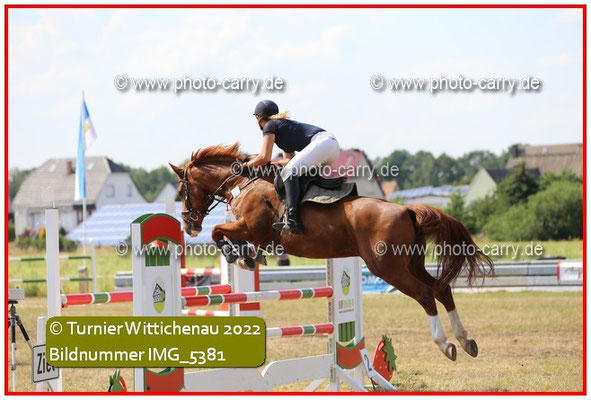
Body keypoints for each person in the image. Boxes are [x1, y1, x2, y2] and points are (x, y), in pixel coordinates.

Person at [244, 100, 340, 233]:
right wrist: (274, 164)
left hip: (323, 143)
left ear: (259, 117)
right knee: (296, 176)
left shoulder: (270, 125)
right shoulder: (281, 127)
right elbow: (288, 160)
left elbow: (264, 157)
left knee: (289, 173)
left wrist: (245, 166)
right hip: (331, 148)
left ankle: (292, 220)